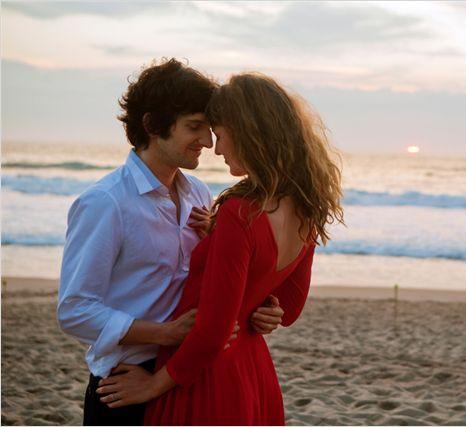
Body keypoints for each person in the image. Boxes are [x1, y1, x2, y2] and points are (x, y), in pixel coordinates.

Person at [94, 73, 344, 425]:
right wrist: (261, 303)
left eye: (222, 134)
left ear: (248, 134)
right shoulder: (306, 209)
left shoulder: (239, 212)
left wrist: (153, 386)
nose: (217, 146)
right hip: (251, 368)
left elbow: (212, 331)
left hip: (207, 376)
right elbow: (288, 308)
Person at [57, 59, 285, 426]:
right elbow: (75, 310)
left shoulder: (198, 193)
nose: (208, 142)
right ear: (151, 125)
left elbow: (213, 279)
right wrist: (165, 332)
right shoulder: (106, 202)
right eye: (194, 127)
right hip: (128, 381)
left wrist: (262, 305)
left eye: (210, 129)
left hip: (186, 373)